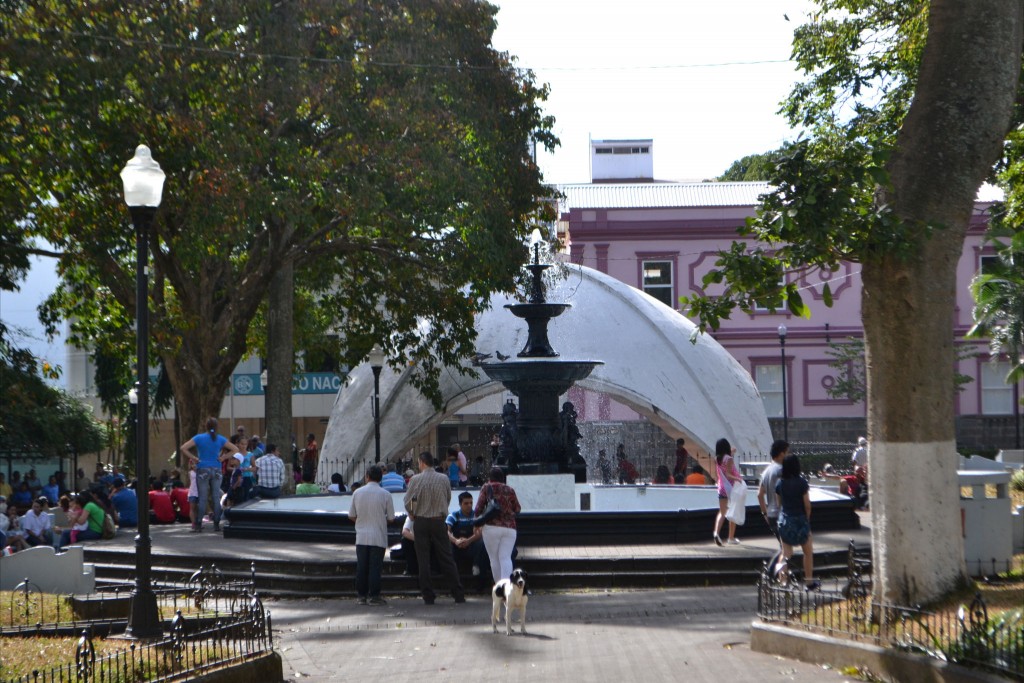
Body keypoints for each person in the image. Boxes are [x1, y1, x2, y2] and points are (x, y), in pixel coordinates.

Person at [404, 451, 465, 605]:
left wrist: (413, 512)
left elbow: (410, 501)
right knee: (446, 557)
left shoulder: (415, 479)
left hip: (421, 521)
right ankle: (458, 593)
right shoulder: (443, 478)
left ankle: (428, 595)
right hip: (438, 520)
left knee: (423, 560)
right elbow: (447, 498)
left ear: (422, 462)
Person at [179, 417, 239, 533]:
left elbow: (183, 448)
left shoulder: (199, 438)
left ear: (205, 426)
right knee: (216, 497)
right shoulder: (220, 439)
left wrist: (194, 458)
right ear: (216, 427)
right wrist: (223, 457)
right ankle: (216, 524)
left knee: (203, 498)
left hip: (202, 468)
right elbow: (235, 449)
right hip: (216, 468)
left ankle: (198, 524)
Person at [348, 465, 395, 606]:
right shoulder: (386, 494)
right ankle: (374, 596)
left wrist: (361, 521)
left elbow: (351, 515)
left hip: (362, 536)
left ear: (367, 476)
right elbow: (391, 518)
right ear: (381, 478)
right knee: (375, 567)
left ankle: (361, 595)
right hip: (378, 536)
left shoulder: (357, 493)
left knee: (362, 566)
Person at [776, 454, 819, 591]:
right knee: (808, 552)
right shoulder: (802, 483)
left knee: (786, 553)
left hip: (785, 521)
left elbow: (779, 504)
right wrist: (806, 519)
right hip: (800, 520)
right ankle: (809, 582)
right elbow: (807, 505)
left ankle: (783, 581)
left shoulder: (780, 484)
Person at [474, 466, 522, 582]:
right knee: (506, 558)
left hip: (491, 527)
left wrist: (476, 523)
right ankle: (507, 587)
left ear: (490, 477)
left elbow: (478, 508)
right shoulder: (510, 489)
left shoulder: (486, 487)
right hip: (510, 528)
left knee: (494, 559)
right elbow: (517, 508)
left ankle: (500, 587)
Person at [447, 491, 488, 590]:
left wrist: (468, 541)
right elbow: (446, 531)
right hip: (457, 546)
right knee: (447, 545)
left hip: (473, 546)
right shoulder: (454, 515)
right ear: (460, 504)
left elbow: (480, 532)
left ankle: (477, 569)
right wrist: (456, 541)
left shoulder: (477, 516)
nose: (469, 505)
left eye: (471, 503)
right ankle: (451, 574)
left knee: (482, 543)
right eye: (466, 503)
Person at [758, 439, 788, 567]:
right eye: (787, 452)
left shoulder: (766, 471)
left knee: (784, 547)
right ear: (781, 454)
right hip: (781, 514)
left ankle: (779, 574)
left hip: (770, 514)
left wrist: (764, 513)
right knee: (786, 549)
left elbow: (760, 495)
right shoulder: (781, 470)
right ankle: (773, 571)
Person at [712, 437, 743, 546]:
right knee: (733, 511)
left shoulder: (717, 459)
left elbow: (723, 470)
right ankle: (731, 537)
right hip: (731, 487)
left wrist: (732, 452)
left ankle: (716, 533)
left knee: (722, 512)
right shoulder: (729, 459)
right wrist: (738, 479)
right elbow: (729, 474)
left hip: (721, 488)